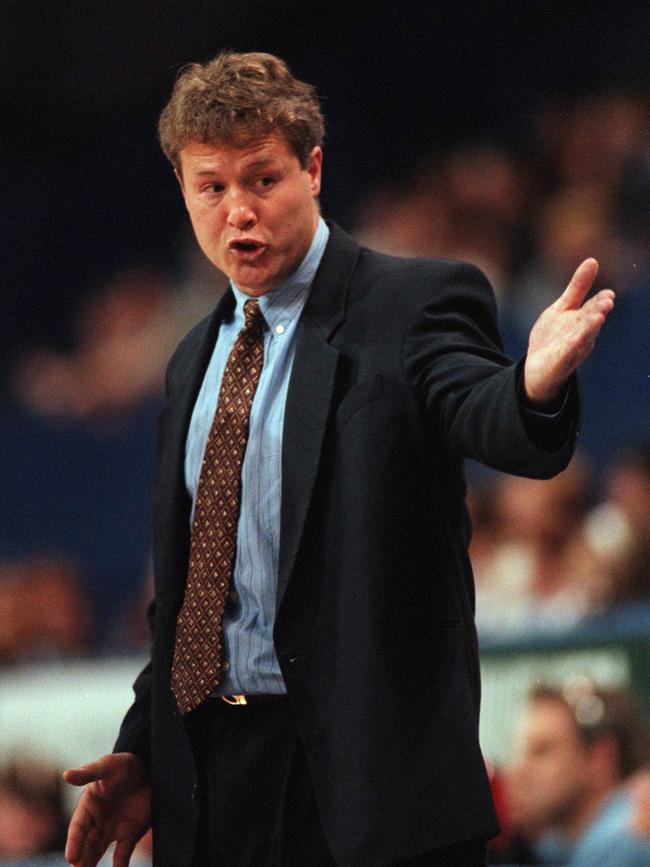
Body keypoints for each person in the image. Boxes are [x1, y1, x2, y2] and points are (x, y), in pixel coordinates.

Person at [63, 51, 615, 867]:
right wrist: (145, 748)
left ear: (313, 169)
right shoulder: (189, 362)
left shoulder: (413, 302)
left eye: (263, 180)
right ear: (183, 191)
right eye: (212, 187)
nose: (239, 212)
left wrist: (529, 388)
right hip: (214, 795)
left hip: (370, 794)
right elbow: (191, 596)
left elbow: (486, 411)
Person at [507, 682, 650, 866]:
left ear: (599, 758)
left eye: (542, 751)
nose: (518, 771)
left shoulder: (626, 845)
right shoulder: (558, 842)